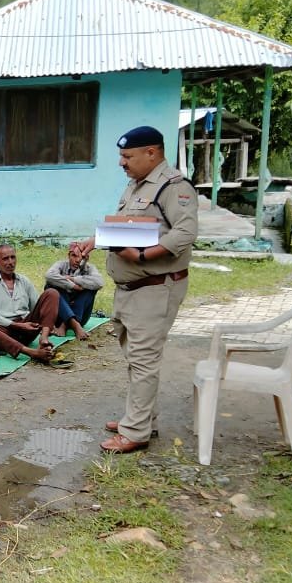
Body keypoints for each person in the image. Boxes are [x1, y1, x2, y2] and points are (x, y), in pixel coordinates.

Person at [91, 126, 198, 454]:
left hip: (155, 288)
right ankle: (141, 418)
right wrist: (92, 242)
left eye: (127, 156)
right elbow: (126, 228)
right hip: (131, 288)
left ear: (151, 153)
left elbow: (185, 233)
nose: (121, 163)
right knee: (136, 358)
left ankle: (135, 432)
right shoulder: (136, 185)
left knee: (143, 360)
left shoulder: (174, 187)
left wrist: (142, 256)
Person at [0, 244, 65, 362]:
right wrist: (16, 325)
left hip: (27, 329)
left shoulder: (24, 281)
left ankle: (44, 340)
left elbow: (37, 307)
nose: (10, 262)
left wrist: (42, 326)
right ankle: (31, 352)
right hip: (4, 333)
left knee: (52, 293)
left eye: (13, 257)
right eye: (5, 258)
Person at [44, 241, 104, 331]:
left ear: (86, 258)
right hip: (59, 316)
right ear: (68, 256)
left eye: (81, 257)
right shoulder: (61, 265)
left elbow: (99, 283)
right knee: (50, 286)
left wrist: (73, 279)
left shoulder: (89, 268)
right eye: (74, 256)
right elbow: (49, 275)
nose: (77, 260)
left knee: (91, 288)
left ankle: (67, 324)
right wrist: (73, 286)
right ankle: (71, 322)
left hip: (80, 316)